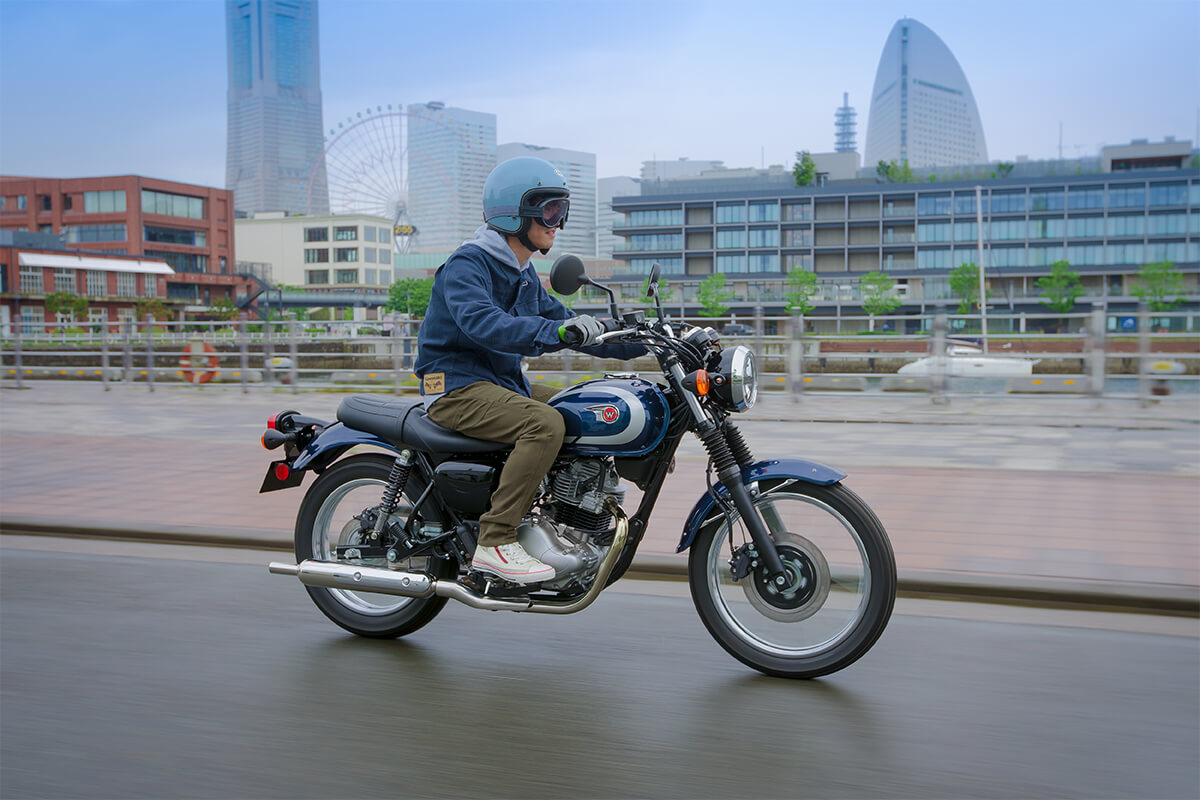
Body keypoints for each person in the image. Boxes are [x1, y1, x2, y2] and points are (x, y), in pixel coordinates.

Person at [414, 157, 644, 585]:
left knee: (584, 406)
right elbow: (486, 324)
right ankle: (495, 541)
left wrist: (641, 336)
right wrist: (559, 330)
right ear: (514, 212)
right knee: (544, 424)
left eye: (562, 211)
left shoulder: (522, 274)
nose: (558, 221)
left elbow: (570, 322)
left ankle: (575, 509)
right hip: (453, 386)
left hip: (499, 384)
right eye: (551, 210)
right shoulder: (468, 265)